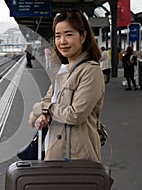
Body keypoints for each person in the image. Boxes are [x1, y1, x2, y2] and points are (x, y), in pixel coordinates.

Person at [28, 9, 105, 163]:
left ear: (83, 36)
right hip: (55, 150)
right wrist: (42, 117)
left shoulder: (90, 71)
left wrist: (44, 109)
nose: (62, 41)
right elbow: (40, 110)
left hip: (78, 155)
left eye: (68, 34)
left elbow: (75, 115)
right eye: (58, 36)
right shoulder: (62, 71)